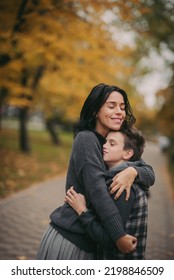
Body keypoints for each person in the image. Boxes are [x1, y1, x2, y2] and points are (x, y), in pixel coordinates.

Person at [36, 83, 155, 260]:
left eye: (122, 107)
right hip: (71, 238)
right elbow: (97, 191)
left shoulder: (115, 139)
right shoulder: (87, 139)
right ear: (95, 111)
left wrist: (132, 172)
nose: (119, 112)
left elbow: (148, 171)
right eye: (111, 105)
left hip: (93, 243)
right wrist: (118, 236)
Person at [65, 127, 148, 259]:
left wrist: (82, 210)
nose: (104, 146)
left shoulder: (122, 187)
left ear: (127, 154)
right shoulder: (114, 177)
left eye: (112, 143)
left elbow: (108, 240)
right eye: (105, 141)